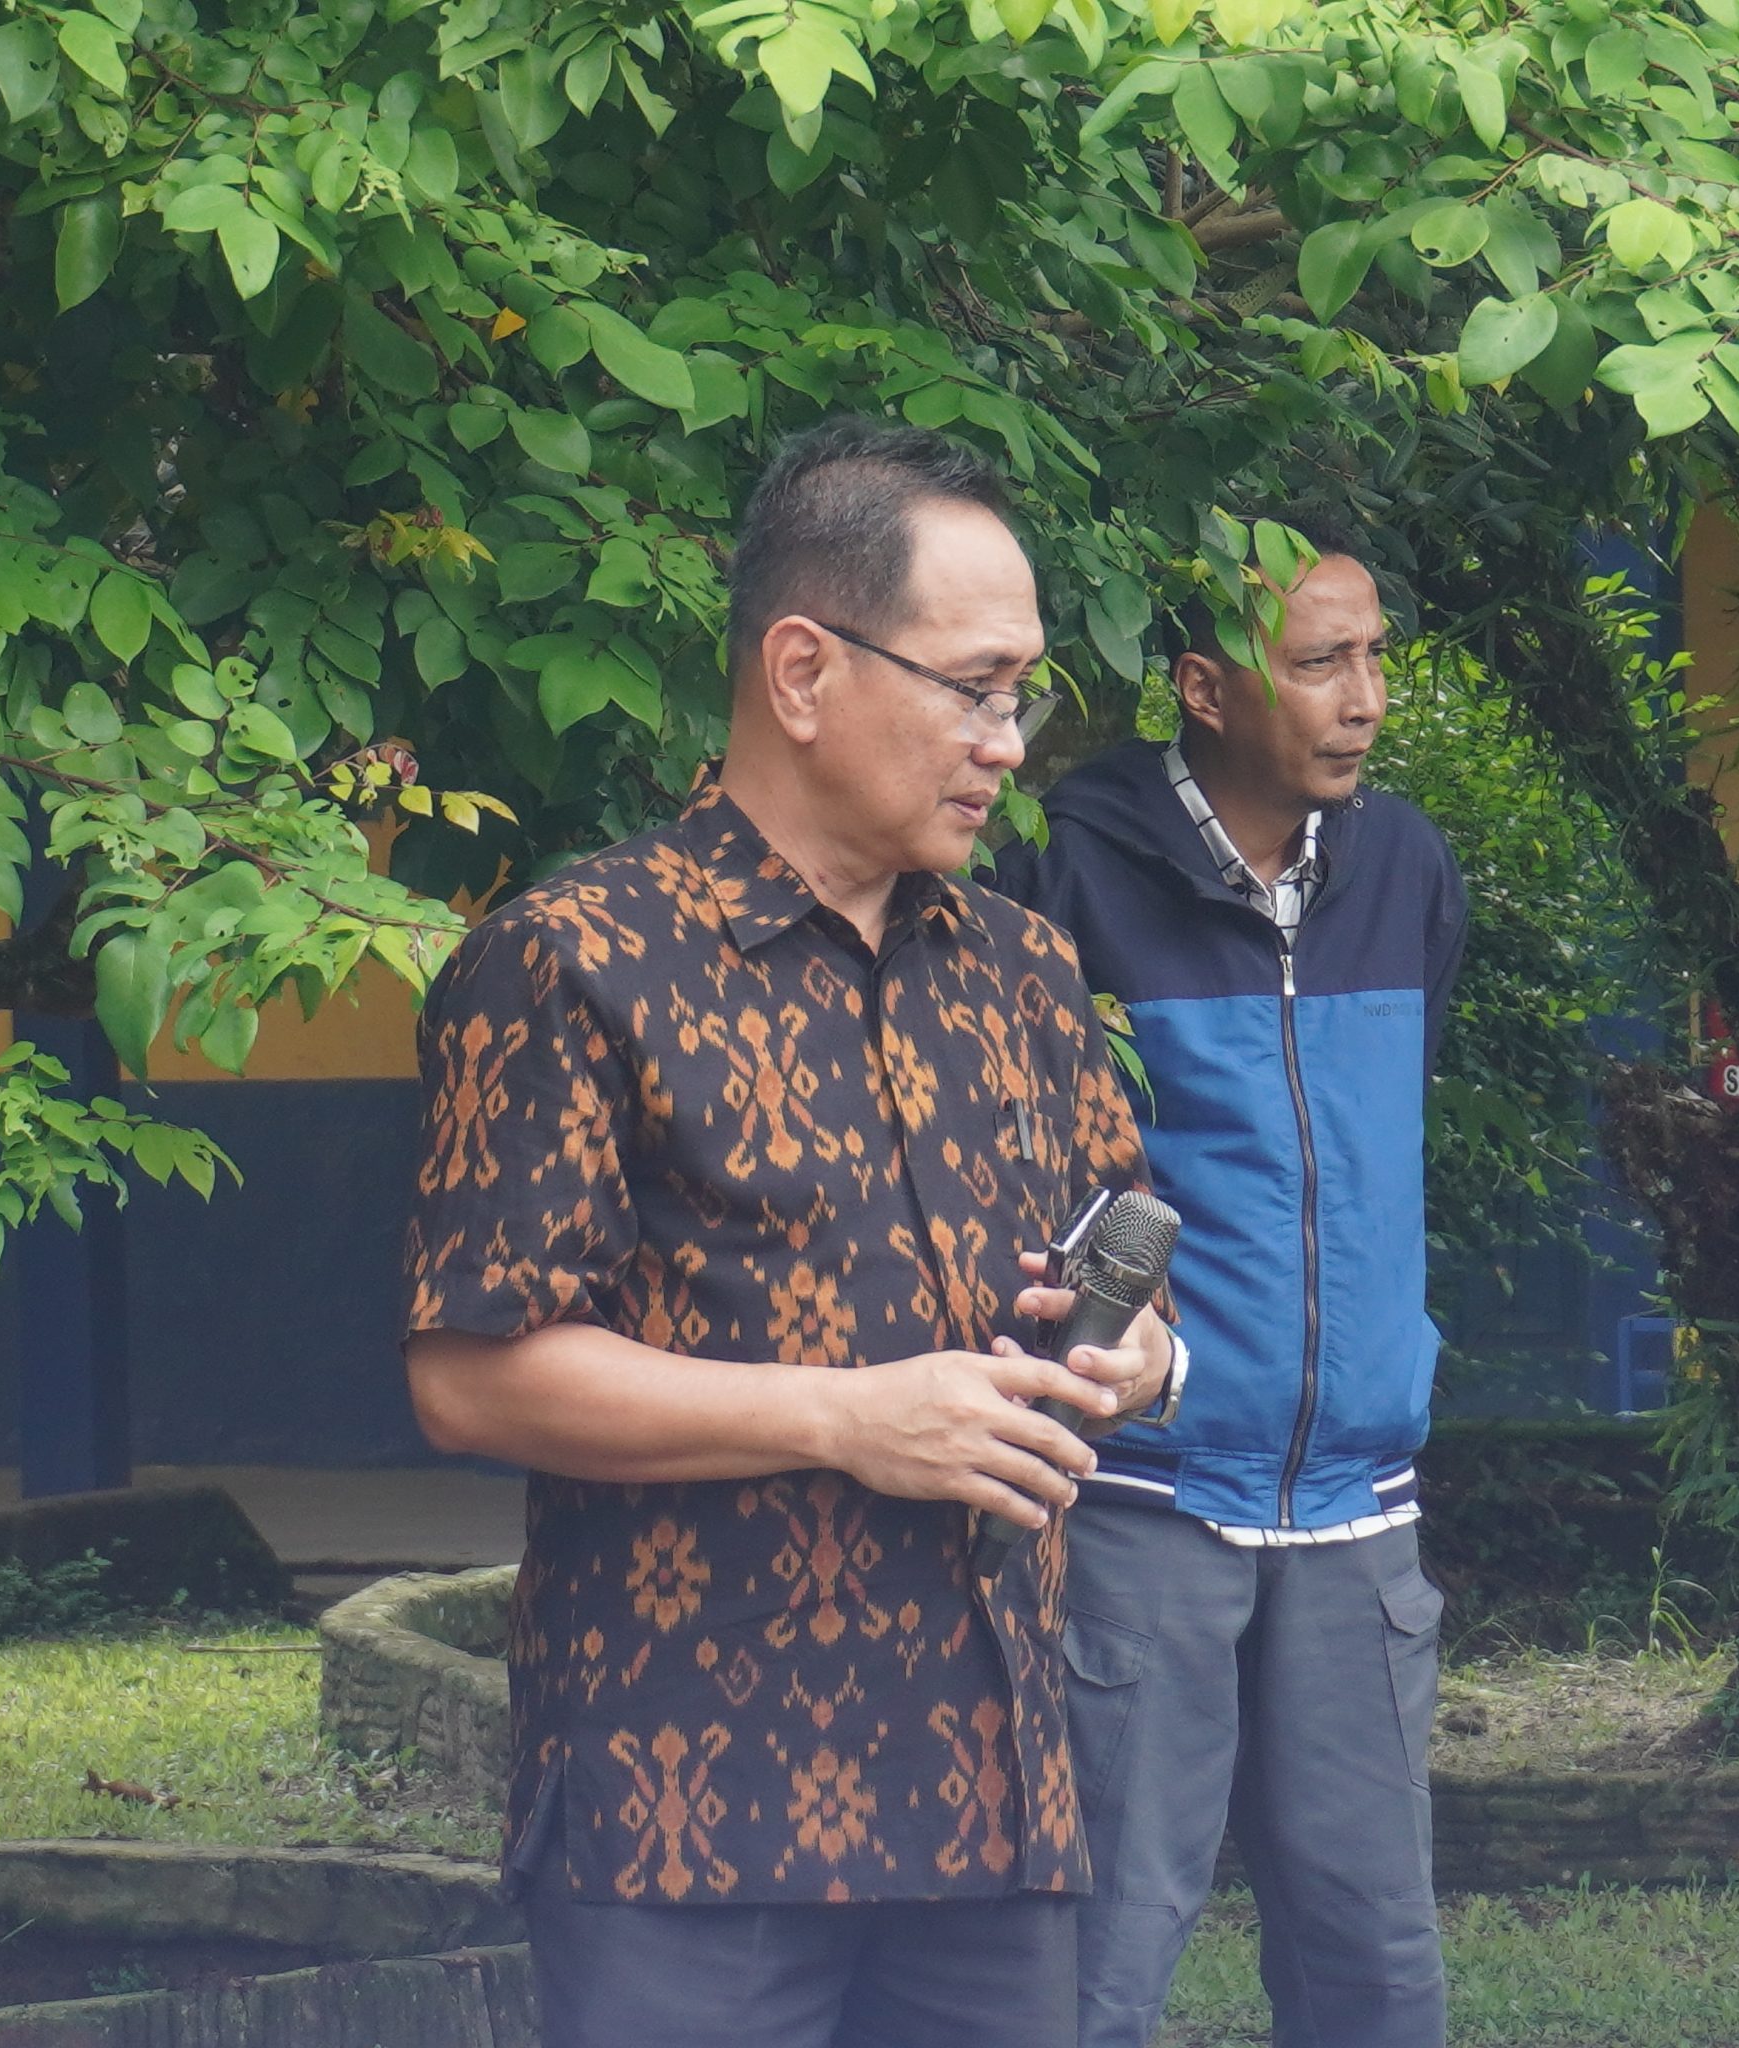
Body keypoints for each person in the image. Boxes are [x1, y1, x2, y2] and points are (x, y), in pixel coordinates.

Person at [403, 415, 1184, 2048]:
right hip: (690, 1816)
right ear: (805, 672)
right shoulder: (571, 960)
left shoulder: (1026, 972)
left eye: (1022, 696)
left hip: (994, 1796)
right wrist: (847, 1417)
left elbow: (1126, 1277)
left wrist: (1130, 1365)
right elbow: (472, 1378)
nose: (1007, 743)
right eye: (974, 688)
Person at [992, 516, 1463, 2048]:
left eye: (1375, 657)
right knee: (1097, 1971)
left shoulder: (1404, 867)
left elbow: (1374, 1154)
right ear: (1203, 688)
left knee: (1378, 1978)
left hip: (1357, 1513)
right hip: (1142, 1500)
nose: (1365, 698)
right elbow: (1014, 1169)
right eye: (1321, 663)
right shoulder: (1064, 868)